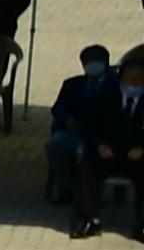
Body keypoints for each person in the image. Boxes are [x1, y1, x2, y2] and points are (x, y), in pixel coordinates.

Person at [76, 47, 144, 240]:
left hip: (137, 157)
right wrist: (99, 145)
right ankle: (90, 220)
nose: (134, 83)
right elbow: (90, 127)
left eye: (139, 79)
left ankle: (142, 224)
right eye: (130, 79)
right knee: (88, 169)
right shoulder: (106, 98)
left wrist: (142, 149)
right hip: (109, 153)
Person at [50, 43, 121, 214]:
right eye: (88, 61)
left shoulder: (117, 85)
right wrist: (67, 119)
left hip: (104, 138)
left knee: (93, 152)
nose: (92, 64)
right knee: (56, 144)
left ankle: (93, 194)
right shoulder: (72, 84)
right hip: (75, 134)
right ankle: (67, 190)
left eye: (96, 60)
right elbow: (57, 108)